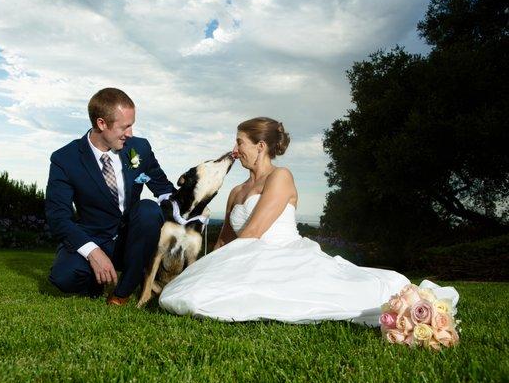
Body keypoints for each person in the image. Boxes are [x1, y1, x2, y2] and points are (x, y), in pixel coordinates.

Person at [159, 117, 458, 324]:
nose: (236, 150)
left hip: (281, 255)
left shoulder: (281, 176)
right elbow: (225, 240)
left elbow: (253, 232)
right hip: (244, 255)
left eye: (241, 143)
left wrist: (221, 268)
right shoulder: (236, 191)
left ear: (261, 146)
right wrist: (204, 270)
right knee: (191, 294)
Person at [46, 88, 174, 305]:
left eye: (132, 125)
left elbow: (164, 190)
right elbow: (58, 217)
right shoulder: (64, 159)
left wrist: (190, 213)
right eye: (125, 126)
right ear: (102, 123)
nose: (130, 133)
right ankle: (96, 280)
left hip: (132, 239)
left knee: (148, 209)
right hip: (94, 237)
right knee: (64, 278)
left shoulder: (139, 148)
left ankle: (123, 291)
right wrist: (92, 252)